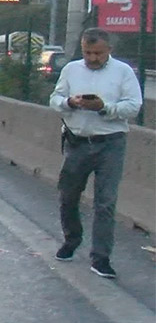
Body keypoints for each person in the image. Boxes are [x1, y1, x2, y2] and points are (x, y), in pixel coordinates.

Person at [48, 28, 142, 279]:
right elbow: (55, 99)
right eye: (88, 53)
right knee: (68, 195)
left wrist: (104, 108)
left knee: (105, 202)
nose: (92, 58)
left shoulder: (123, 72)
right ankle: (72, 239)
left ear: (109, 50)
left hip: (110, 143)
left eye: (98, 53)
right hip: (77, 141)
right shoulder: (71, 70)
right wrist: (70, 103)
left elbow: (134, 106)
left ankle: (101, 257)